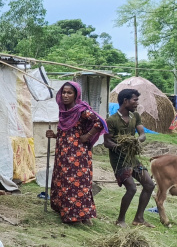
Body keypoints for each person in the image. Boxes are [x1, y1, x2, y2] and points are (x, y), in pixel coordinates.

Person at [45, 81, 108, 225]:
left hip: (77, 154)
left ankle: (79, 216)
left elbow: (100, 122)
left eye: (69, 93)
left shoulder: (81, 110)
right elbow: (67, 132)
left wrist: (88, 135)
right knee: (64, 181)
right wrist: (54, 135)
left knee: (78, 183)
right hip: (63, 153)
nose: (65, 95)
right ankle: (69, 211)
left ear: (76, 95)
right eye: (63, 92)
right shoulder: (63, 111)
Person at [104, 88, 156, 228]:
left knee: (149, 184)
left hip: (132, 158)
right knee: (132, 188)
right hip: (119, 160)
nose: (137, 103)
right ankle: (120, 220)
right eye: (135, 100)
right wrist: (121, 145)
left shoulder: (135, 116)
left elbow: (142, 134)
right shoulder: (111, 120)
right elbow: (107, 142)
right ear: (125, 101)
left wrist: (138, 139)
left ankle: (139, 218)